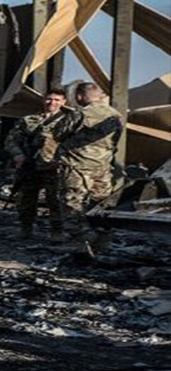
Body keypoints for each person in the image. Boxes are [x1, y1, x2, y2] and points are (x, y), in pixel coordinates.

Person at [51, 82, 123, 251]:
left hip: (78, 165)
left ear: (79, 97)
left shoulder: (81, 114)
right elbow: (116, 139)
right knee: (100, 203)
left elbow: (58, 134)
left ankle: (80, 241)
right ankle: (103, 239)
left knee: (72, 202)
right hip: (103, 167)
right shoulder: (115, 114)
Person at [3, 89, 71, 243]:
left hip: (53, 167)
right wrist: (18, 154)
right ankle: (25, 229)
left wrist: (63, 160)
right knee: (26, 199)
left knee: (55, 200)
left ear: (64, 102)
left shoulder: (68, 121)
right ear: (43, 100)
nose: (52, 103)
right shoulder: (29, 120)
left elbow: (74, 144)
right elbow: (11, 140)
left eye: (57, 100)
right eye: (49, 99)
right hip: (30, 165)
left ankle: (57, 231)